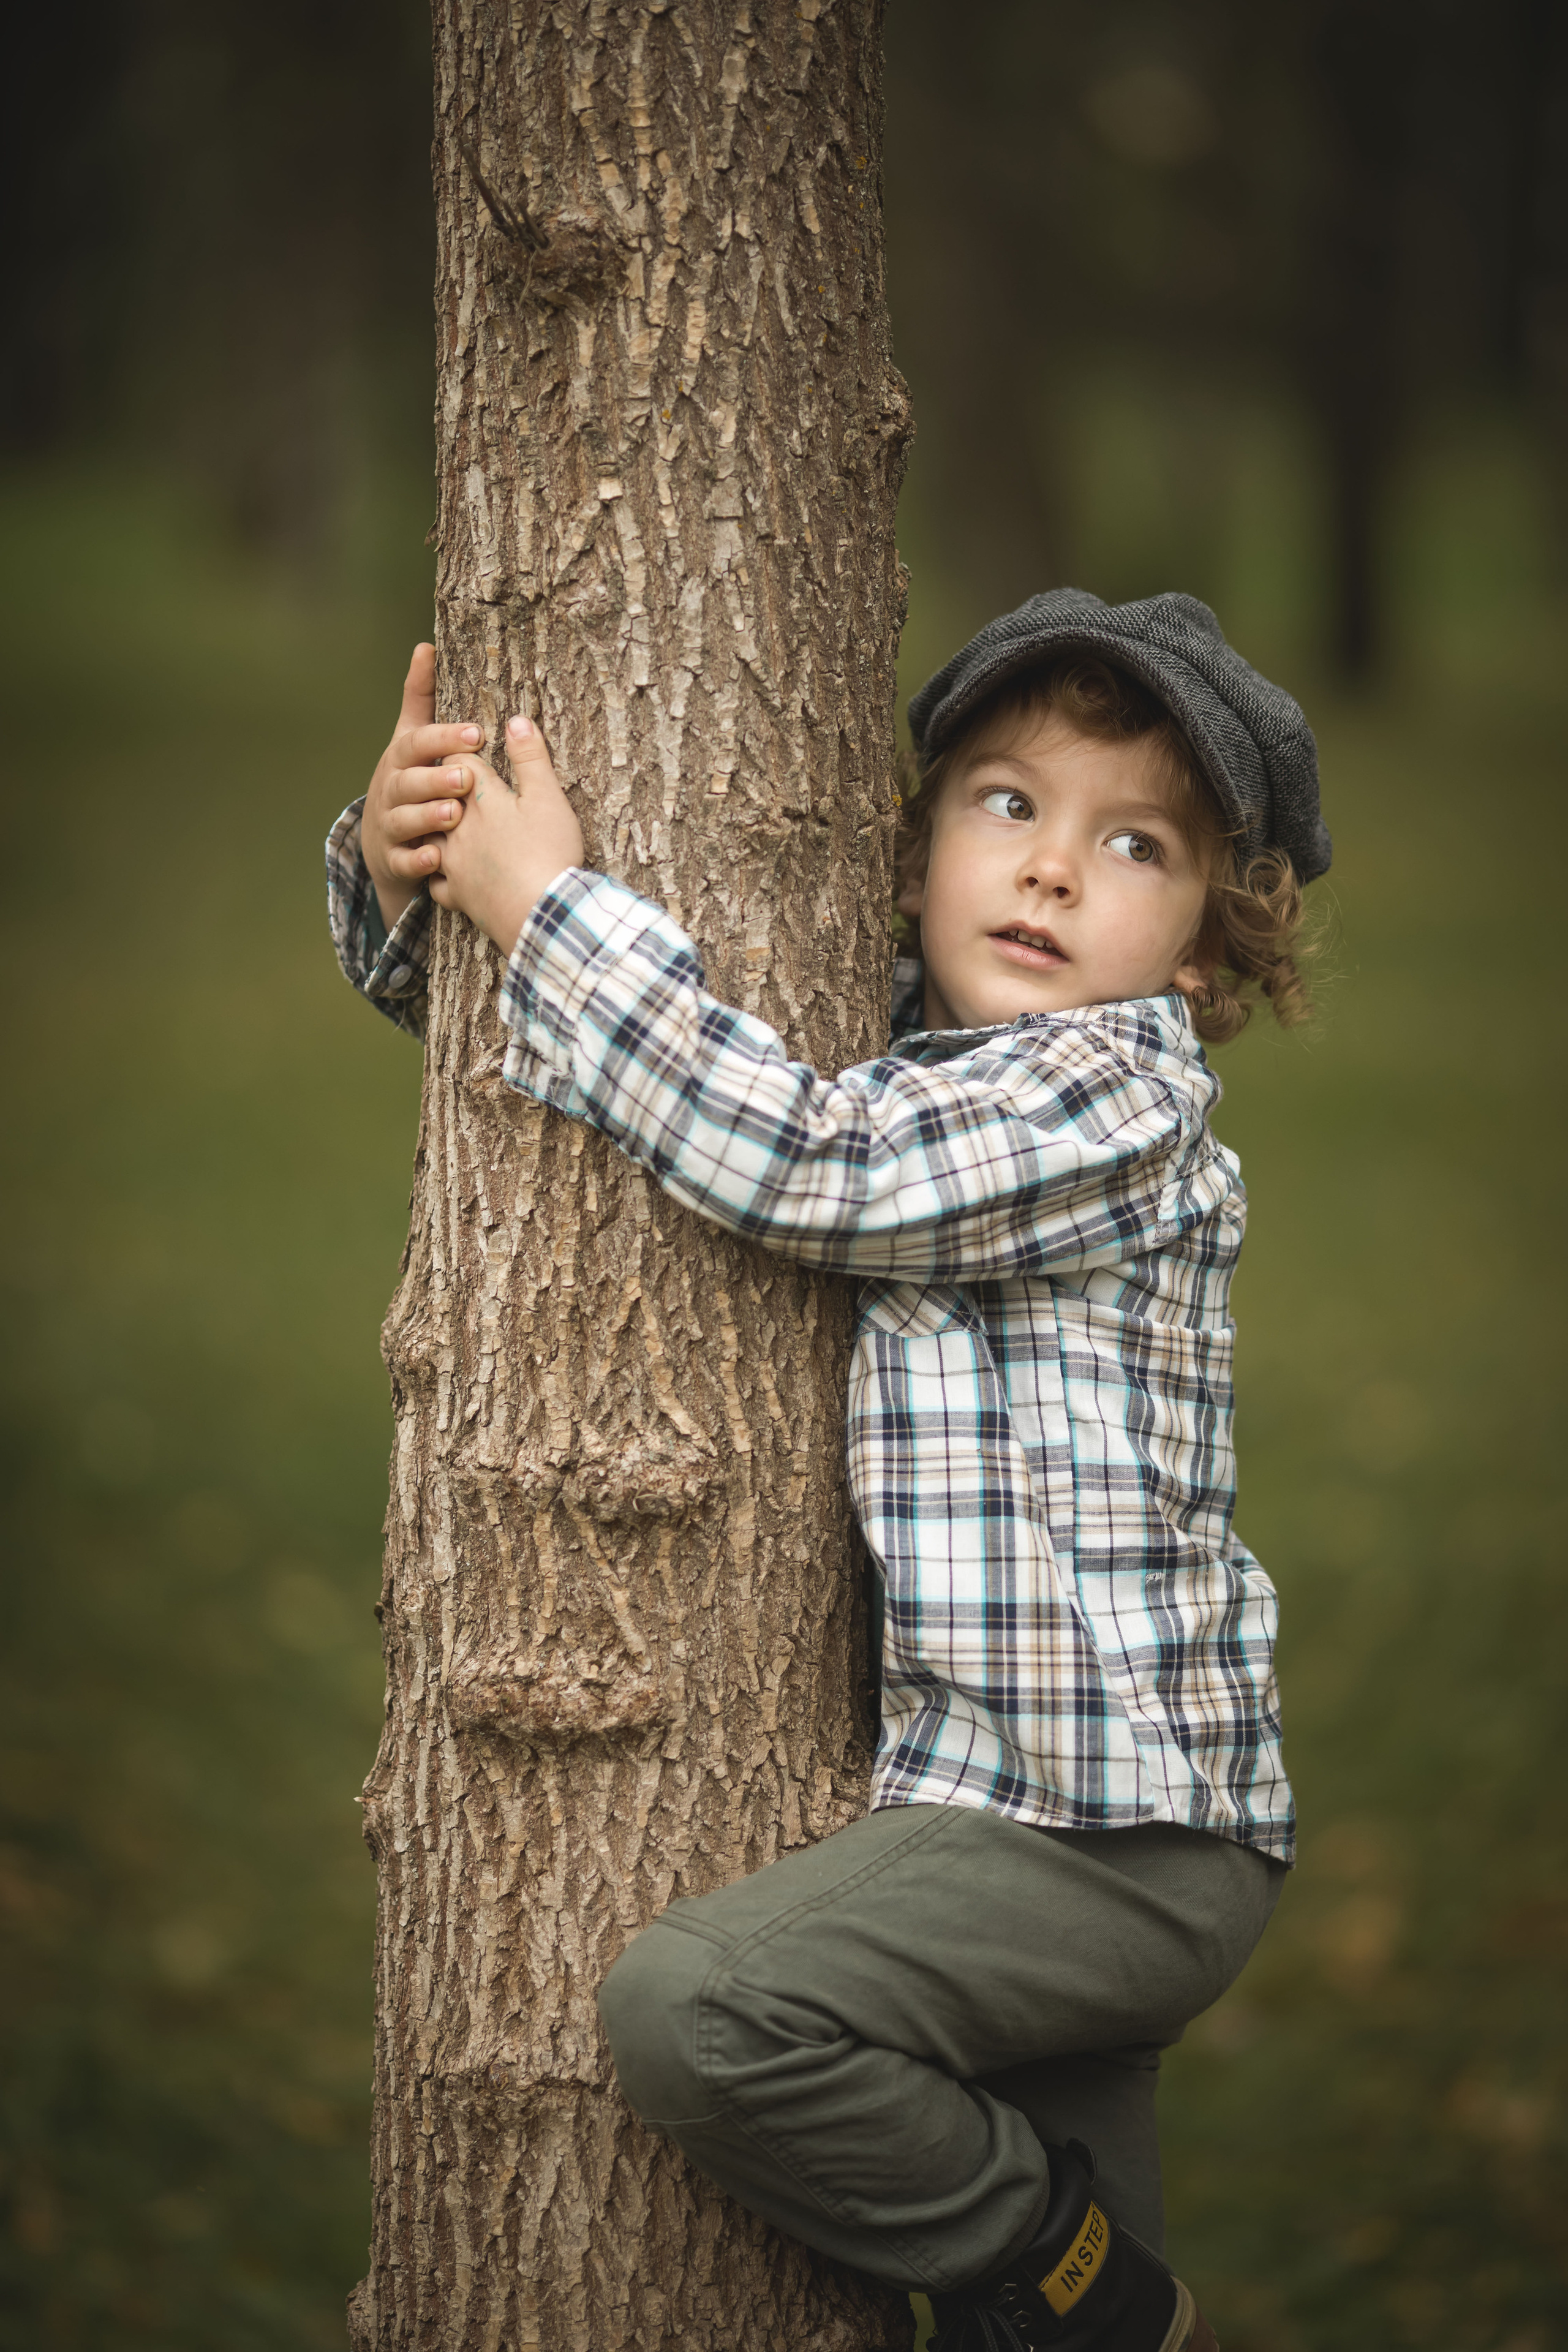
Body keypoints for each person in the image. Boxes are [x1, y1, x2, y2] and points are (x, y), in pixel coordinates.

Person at [326, 589, 1330, 2352]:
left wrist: (546, 904)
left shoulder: (1110, 1098)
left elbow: (798, 1159)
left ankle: (1061, 2264)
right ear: (921, 839)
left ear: (1196, 949)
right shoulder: (906, 1062)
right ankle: (1094, 2298)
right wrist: (411, 877)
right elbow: (608, 1078)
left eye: (1135, 843)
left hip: (1107, 1828)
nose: (1049, 871)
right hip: (1027, 1803)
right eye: (1007, 804)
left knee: (701, 2007)